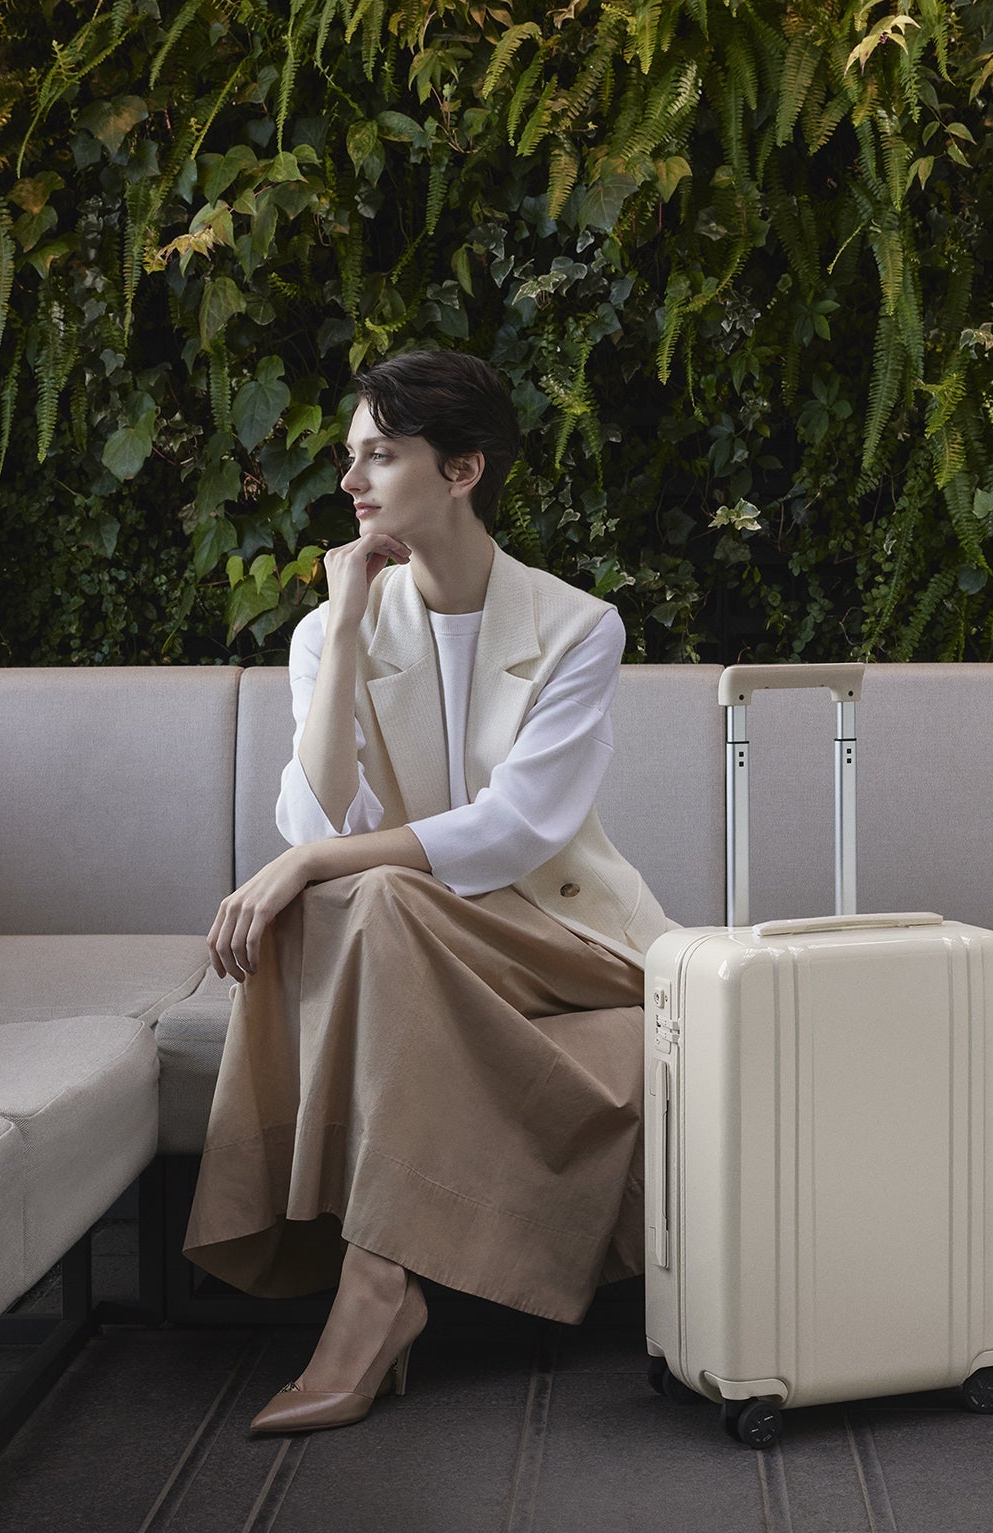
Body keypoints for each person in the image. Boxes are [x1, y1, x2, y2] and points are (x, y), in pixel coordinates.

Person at [183, 350, 673, 1437]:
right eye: (351, 456)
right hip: (420, 939)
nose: (351, 483)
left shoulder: (580, 628)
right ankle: (380, 1283)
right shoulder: (330, 627)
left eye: (380, 455)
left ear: (461, 470)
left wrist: (310, 864)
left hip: (563, 934)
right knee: (372, 904)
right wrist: (347, 625)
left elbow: (514, 833)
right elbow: (315, 824)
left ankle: (372, 1303)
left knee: (362, 899)